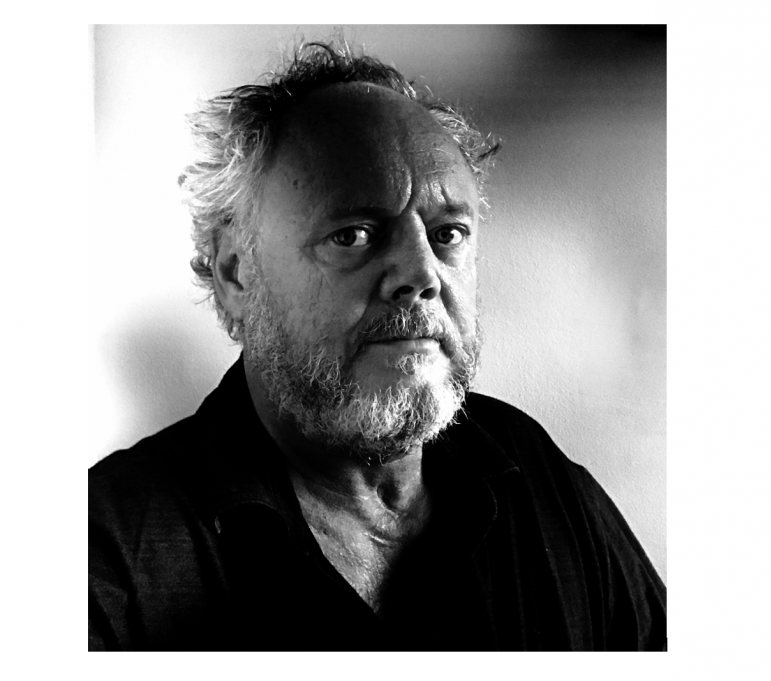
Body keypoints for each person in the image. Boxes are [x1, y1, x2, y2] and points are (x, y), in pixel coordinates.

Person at [88, 40, 666, 651]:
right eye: (354, 235)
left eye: (448, 234)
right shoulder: (109, 552)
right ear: (236, 273)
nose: (420, 274)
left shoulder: (539, 481)